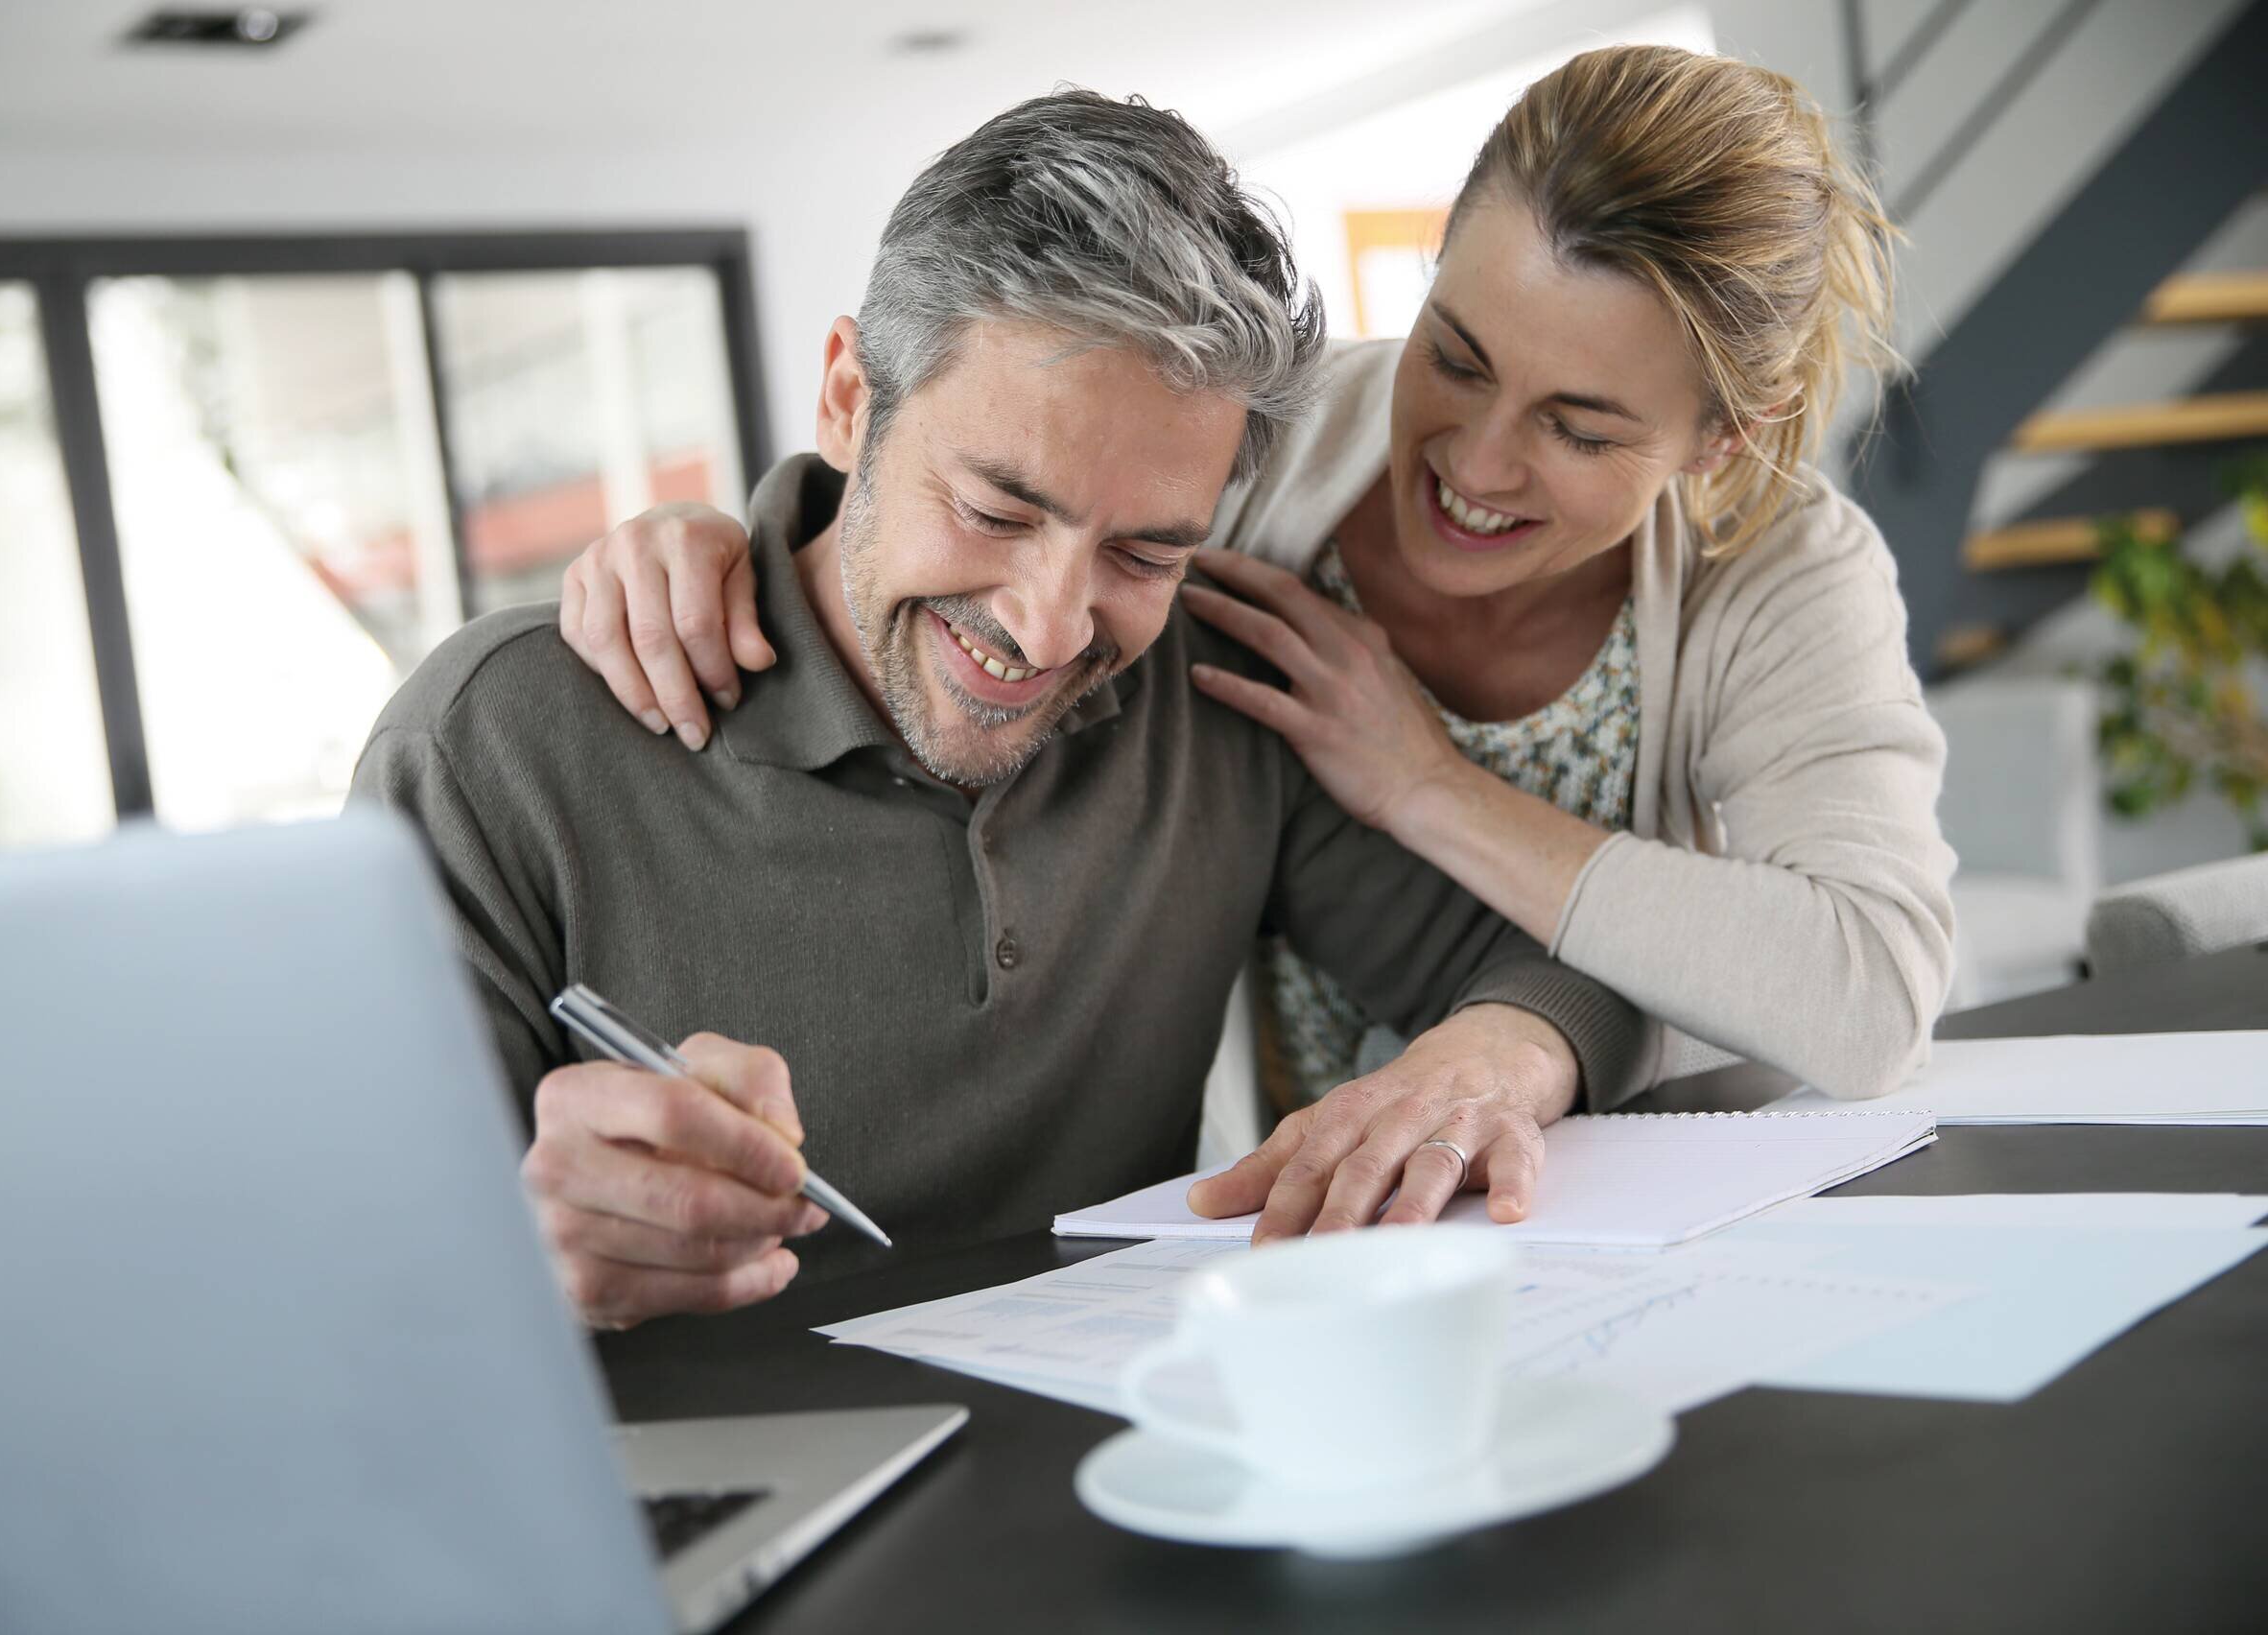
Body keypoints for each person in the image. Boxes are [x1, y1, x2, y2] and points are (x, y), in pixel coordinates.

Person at [350, 90, 1649, 1332]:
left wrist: (1483, 1068)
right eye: (995, 511)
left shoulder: (1216, 696)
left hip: (1122, 1482)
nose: (1047, 626)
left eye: (1144, 552)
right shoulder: (491, 748)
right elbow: (332, 1294)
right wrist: (520, 1256)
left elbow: (1559, 974)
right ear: (852, 401)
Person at [554, 44, 1957, 1113]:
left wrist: (1425, 788)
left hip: (1640, 1160)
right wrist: (717, 538)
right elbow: (988, 478)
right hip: (1317, 1194)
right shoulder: (1254, 452)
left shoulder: (1781, 577)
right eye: (1454, 354)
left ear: (1722, 439)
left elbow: (1867, 996)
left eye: (1579, 428)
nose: (1471, 459)